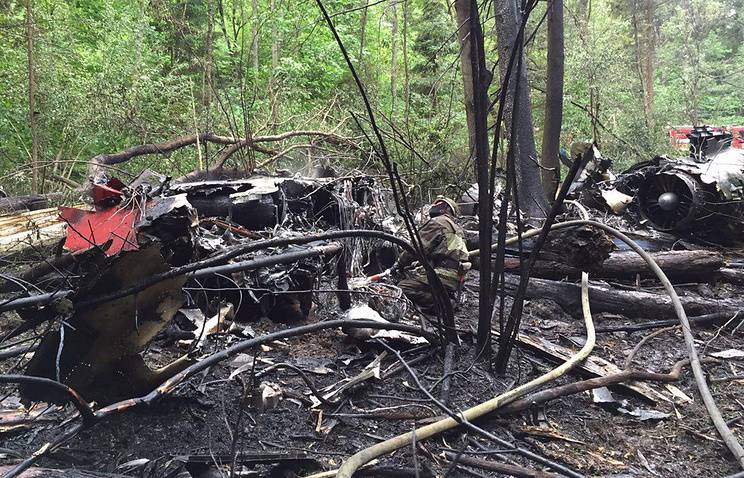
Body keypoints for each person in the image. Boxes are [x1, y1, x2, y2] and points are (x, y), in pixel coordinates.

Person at [392, 197, 470, 308]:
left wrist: (399, 263)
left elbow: (416, 248)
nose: (434, 206)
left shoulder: (439, 222)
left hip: (443, 275)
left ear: (446, 209)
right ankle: (443, 296)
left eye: (438, 204)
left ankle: (442, 304)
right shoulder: (457, 228)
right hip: (455, 277)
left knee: (402, 288)